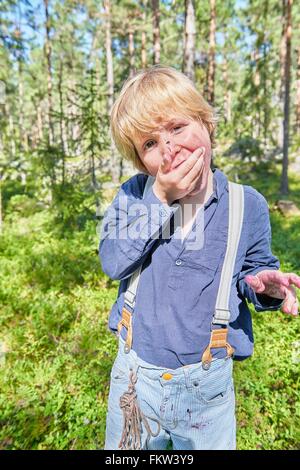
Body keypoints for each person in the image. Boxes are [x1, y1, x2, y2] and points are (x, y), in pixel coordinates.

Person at [99, 65, 300, 450]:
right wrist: (158, 199)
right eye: (150, 144)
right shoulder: (133, 195)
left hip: (207, 391)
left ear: (206, 123)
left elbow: (254, 273)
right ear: (142, 162)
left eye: (177, 127)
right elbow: (113, 260)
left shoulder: (247, 205)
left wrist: (266, 286)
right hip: (135, 380)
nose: (169, 149)